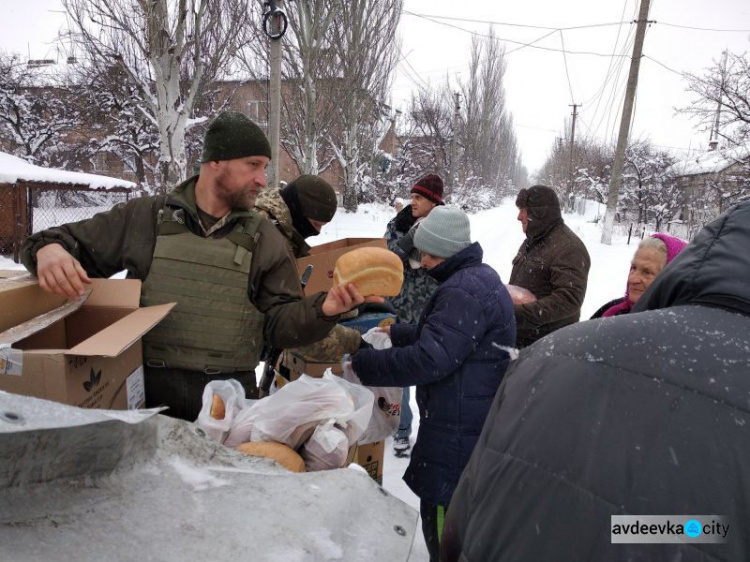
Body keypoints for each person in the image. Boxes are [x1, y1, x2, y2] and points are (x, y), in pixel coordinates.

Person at [441, 198, 750, 562]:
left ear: (673, 276)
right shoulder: (594, 327)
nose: (635, 277)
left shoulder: (558, 348)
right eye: (633, 267)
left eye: (648, 272)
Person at [20, 111, 375, 421]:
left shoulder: (266, 239)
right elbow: (69, 242)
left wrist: (322, 310)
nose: (262, 180)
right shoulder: (145, 217)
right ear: (215, 162)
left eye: (264, 168)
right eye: (253, 165)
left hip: (229, 403)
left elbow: (280, 326)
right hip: (146, 400)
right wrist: (48, 250)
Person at [349, 206, 516, 562]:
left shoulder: (463, 290)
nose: (421, 262)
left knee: (443, 524)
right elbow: (450, 336)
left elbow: (431, 359)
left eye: (425, 254)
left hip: (457, 428)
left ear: (443, 250)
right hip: (464, 415)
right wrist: (399, 332)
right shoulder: (475, 278)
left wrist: (365, 365)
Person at [254, 175, 361, 374]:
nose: (317, 233)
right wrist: (354, 342)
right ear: (297, 210)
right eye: (315, 224)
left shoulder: (275, 226)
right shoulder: (268, 237)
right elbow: (285, 324)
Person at [385, 174, 443, 457]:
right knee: (401, 372)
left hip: (432, 310)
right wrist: (408, 240)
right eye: (413, 196)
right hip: (398, 306)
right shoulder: (399, 224)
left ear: (435, 202)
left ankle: (432, 431)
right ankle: (402, 430)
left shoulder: (445, 226)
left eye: (420, 198)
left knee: (431, 373)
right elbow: (390, 258)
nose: (413, 202)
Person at [509, 184, 591, 348]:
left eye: (523, 210)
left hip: (545, 345)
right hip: (523, 338)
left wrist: (517, 313)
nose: (519, 217)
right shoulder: (533, 240)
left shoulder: (569, 248)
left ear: (539, 212)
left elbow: (569, 300)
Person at [591, 232, 687, 318]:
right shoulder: (610, 313)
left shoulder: (677, 331)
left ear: (671, 281)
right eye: (634, 268)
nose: (632, 279)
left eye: (647, 272)